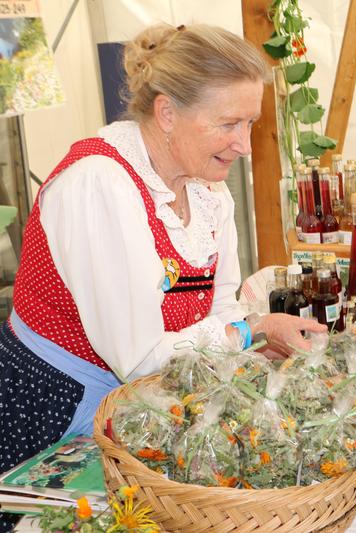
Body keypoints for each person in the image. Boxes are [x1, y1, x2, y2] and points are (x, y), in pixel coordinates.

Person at [0, 23, 325, 486]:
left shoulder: (209, 192)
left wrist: (252, 345)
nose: (244, 145)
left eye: (250, 123)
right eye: (228, 124)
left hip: (144, 408)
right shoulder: (100, 185)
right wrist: (251, 331)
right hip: (53, 414)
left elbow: (222, 307)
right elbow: (138, 359)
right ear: (167, 113)